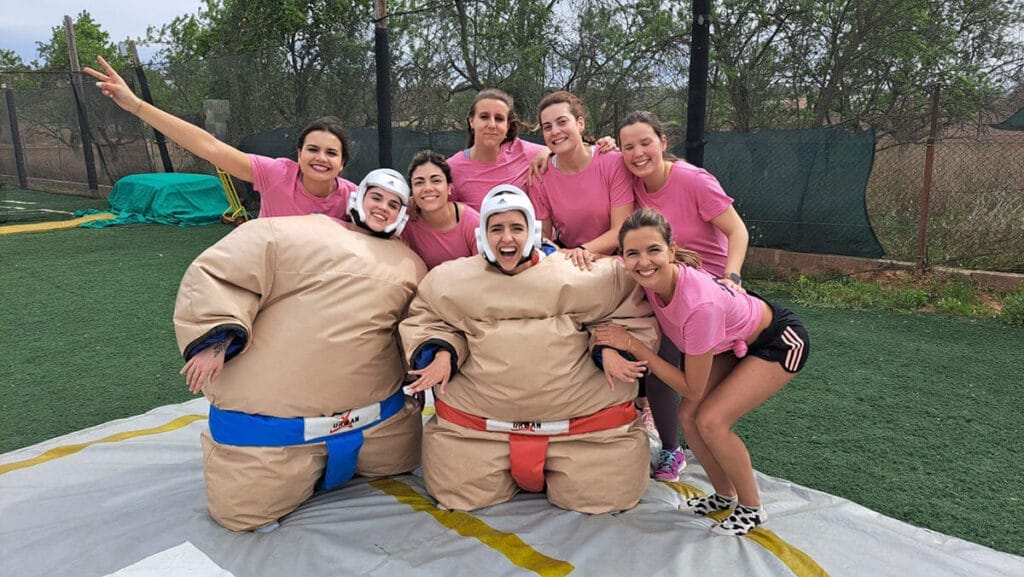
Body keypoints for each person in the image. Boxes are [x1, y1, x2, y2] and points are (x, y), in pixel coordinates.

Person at [174, 168, 427, 532]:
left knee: (403, 454)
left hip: (378, 426)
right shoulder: (288, 234)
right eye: (376, 197)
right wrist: (217, 338)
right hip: (274, 435)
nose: (383, 208)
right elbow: (224, 274)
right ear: (358, 198)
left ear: (402, 215)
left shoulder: (410, 265)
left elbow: (418, 323)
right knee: (244, 511)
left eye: (393, 204)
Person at [399, 185, 658, 514]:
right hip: (478, 437)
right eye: (497, 228)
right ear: (482, 236)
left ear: (533, 231)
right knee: (461, 491)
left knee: (602, 494)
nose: (507, 238)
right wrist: (441, 353)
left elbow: (630, 312)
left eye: (516, 228)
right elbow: (428, 321)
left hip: (584, 437)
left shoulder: (588, 277)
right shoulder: (450, 281)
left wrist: (609, 348)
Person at [594, 208, 809, 536]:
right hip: (729, 340)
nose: (644, 261)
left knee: (711, 420)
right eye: (632, 253)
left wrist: (635, 348)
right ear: (622, 257)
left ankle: (752, 508)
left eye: (653, 250)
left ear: (672, 251)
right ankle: (725, 494)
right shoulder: (645, 279)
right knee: (689, 417)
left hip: (778, 342)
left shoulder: (698, 306)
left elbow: (690, 386)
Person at [616, 111, 751, 482]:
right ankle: (658, 435)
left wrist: (732, 277)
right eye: (628, 147)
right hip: (662, 284)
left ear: (663, 142)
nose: (638, 153)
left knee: (679, 374)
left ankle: (682, 450)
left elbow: (738, 231)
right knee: (648, 356)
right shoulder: (632, 183)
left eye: (646, 143)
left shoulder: (693, 180)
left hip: (705, 291)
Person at [85, 55, 356, 219]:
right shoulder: (277, 174)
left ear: (342, 163)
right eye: (313, 149)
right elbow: (209, 146)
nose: (321, 158)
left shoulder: (354, 198)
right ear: (298, 154)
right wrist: (137, 106)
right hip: (269, 276)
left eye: (331, 153)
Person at [447, 88, 617, 210]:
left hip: (533, 249)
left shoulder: (525, 152)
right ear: (471, 121)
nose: (492, 125)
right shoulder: (452, 169)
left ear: (507, 126)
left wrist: (603, 145)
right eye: (484, 117)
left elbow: (564, 146)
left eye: (499, 119)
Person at [531, 91, 634, 270]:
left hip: (614, 262)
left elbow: (621, 230)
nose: (555, 131)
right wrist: (568, 255)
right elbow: (544, 238)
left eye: (562, 122)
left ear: (580, 124)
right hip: (567, 262)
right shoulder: (540, 175)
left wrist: (582, 251)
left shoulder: (612, 161)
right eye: (547, 127)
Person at [400, 150, 480, 269]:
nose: (428, 188)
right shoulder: (403, 221)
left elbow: (485, 273)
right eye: (419, 182)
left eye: (436, 180)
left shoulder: (473, 224)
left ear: (449, 187)